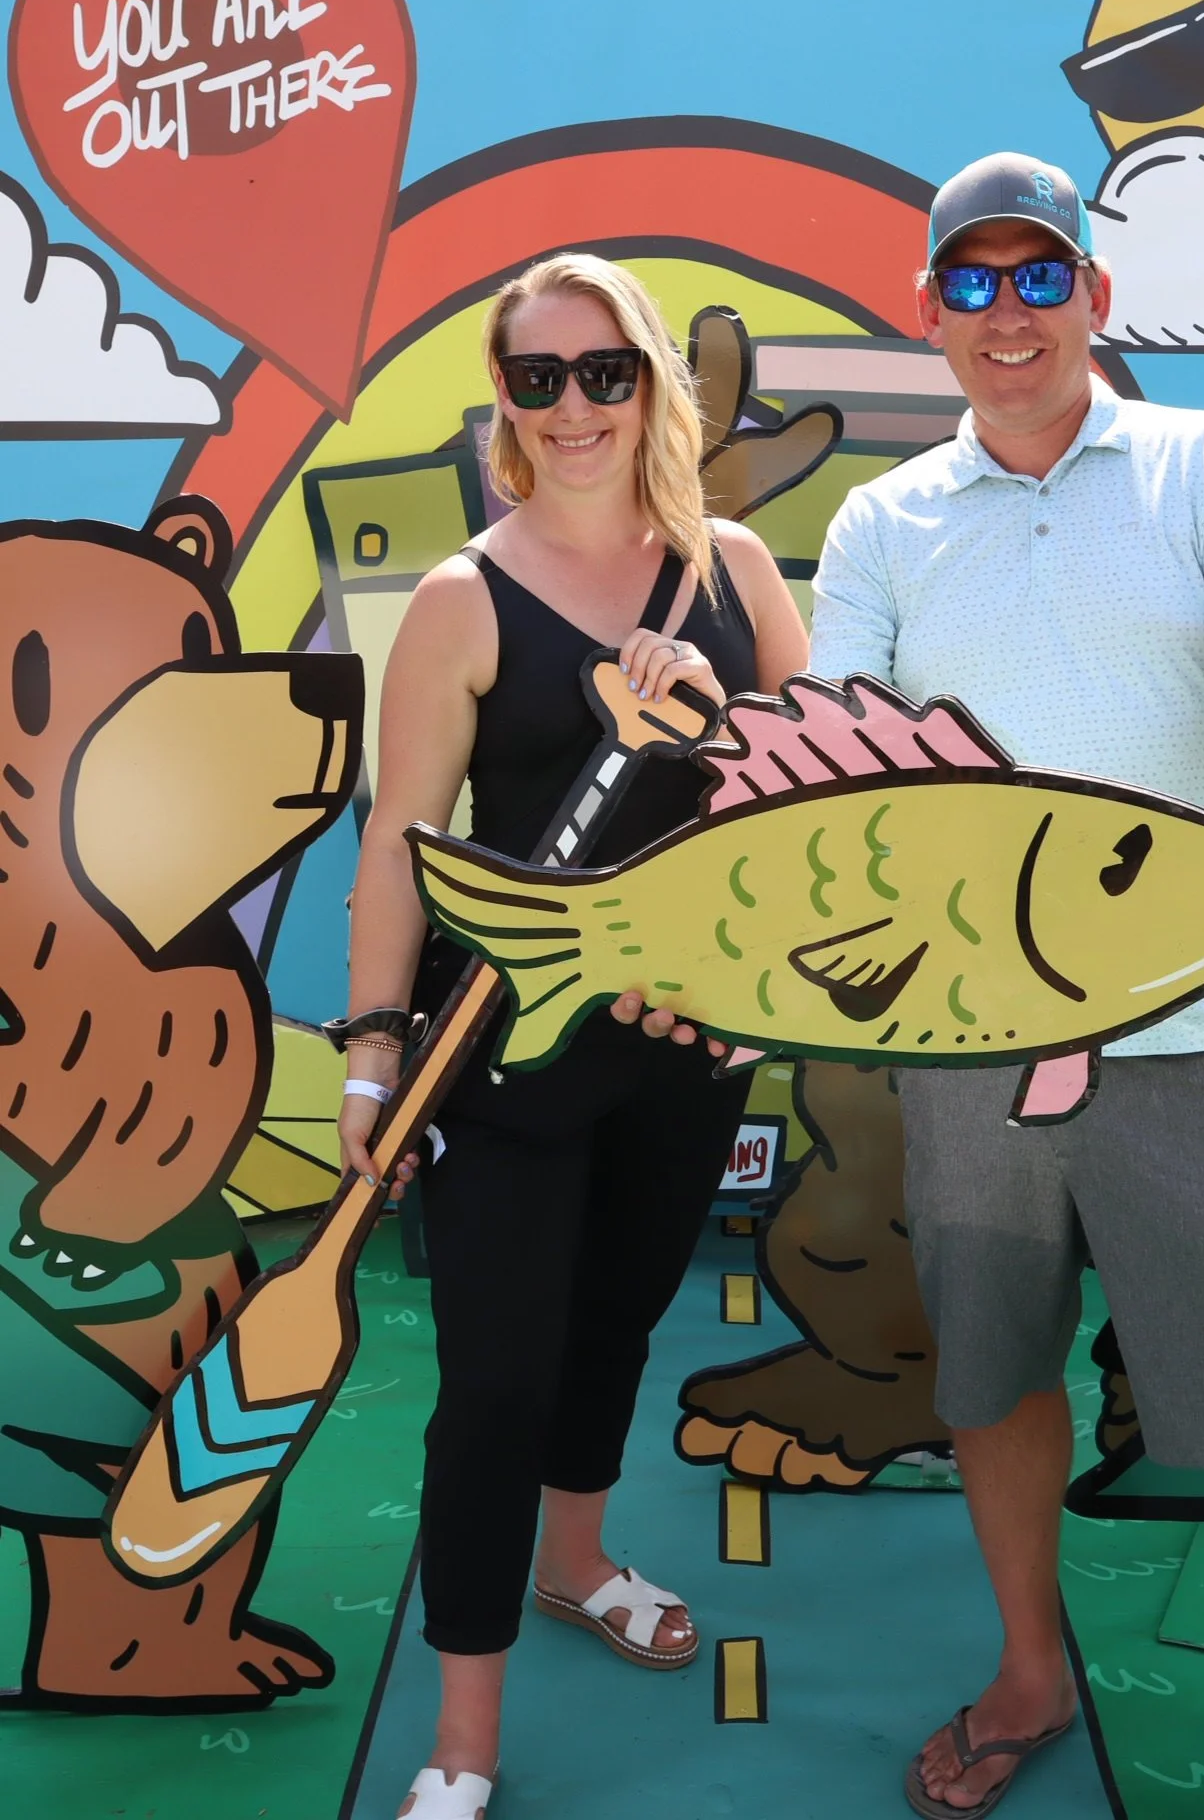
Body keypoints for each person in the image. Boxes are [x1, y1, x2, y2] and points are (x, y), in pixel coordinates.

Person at [809, 153, 1204, 1818]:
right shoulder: (879, 522)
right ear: (929, 314)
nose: (1008, 313)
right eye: (973, 282)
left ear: (1095, 299)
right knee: (995, 1375)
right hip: (967, 1057)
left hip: (1194, 1034)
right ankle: (1030, 1670)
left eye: (1040, 278)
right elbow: (838, 787)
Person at [336, 252, 808, 1820]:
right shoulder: (466, 598)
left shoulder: (733, 570)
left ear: (650, 384)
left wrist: (720, 725)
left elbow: (818, 802)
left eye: (602, 372)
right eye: (537, 379)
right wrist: (369, 1056)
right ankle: (463, 1741)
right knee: (492, 1383)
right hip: (511, 1055)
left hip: (688, 1047)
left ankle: (579, 1561)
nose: (574, 407)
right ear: (505, 405)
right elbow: (401, 842)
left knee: (614, 1333)